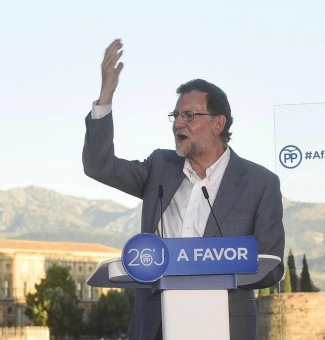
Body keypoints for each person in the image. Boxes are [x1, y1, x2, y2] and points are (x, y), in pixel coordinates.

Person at [82, 39, 285, 340]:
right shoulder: (159, 167)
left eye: (189, 116)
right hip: (155, 324)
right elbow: (99, 166)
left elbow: (271, 266)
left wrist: (217, 268)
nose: (178, 123)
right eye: (175, 116)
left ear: (218, 124)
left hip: (225, 324)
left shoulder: (260, 183)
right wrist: (105, 97)